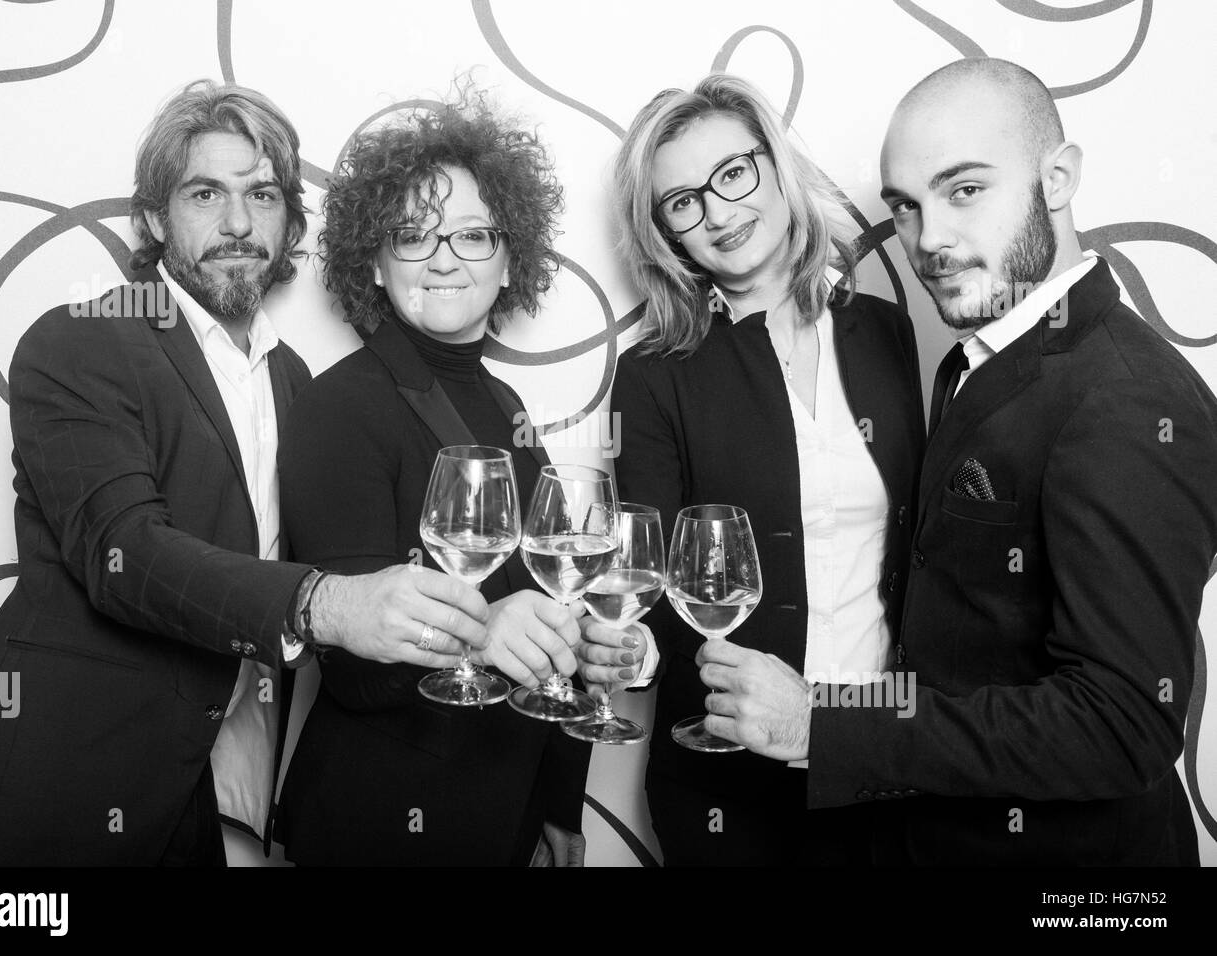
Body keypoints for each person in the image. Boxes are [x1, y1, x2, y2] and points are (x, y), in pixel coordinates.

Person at [0, 80, 491, 866]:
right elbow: (125, 553)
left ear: (289, 218)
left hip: (215, 814)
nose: (237, 223)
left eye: (262, 195)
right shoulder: (81, 342)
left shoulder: (296, 386)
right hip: (55, 799)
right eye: (204, 194)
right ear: (155, 217)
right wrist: (326, 603)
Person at [702, 58, 1217, 866]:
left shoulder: (1129, 400)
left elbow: (1123, 724)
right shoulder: (980, 357)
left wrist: (821, 724)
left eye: (965, 189)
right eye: (905, 207)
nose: (928, 239)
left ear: (1058, 179)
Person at [275, 90, 622, 866]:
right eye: (412, 235)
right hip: (376, 826)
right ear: (371, 257)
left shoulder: (510, 408)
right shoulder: (338, 409)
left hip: (508, 815)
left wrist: (558, 803)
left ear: (510, 262)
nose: (443, 258)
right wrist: (484, 633)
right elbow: (352, 668)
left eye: (472, 235)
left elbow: (559, 611)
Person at [601, 73, 925, 865]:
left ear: (776, 167)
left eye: (733, 174)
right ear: (667, 233)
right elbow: (648, 579)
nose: (717, 211)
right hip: (723, 770)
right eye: (682, 202)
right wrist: (630, 653)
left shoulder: (888, 332)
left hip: (878, 745)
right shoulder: (654, 374)